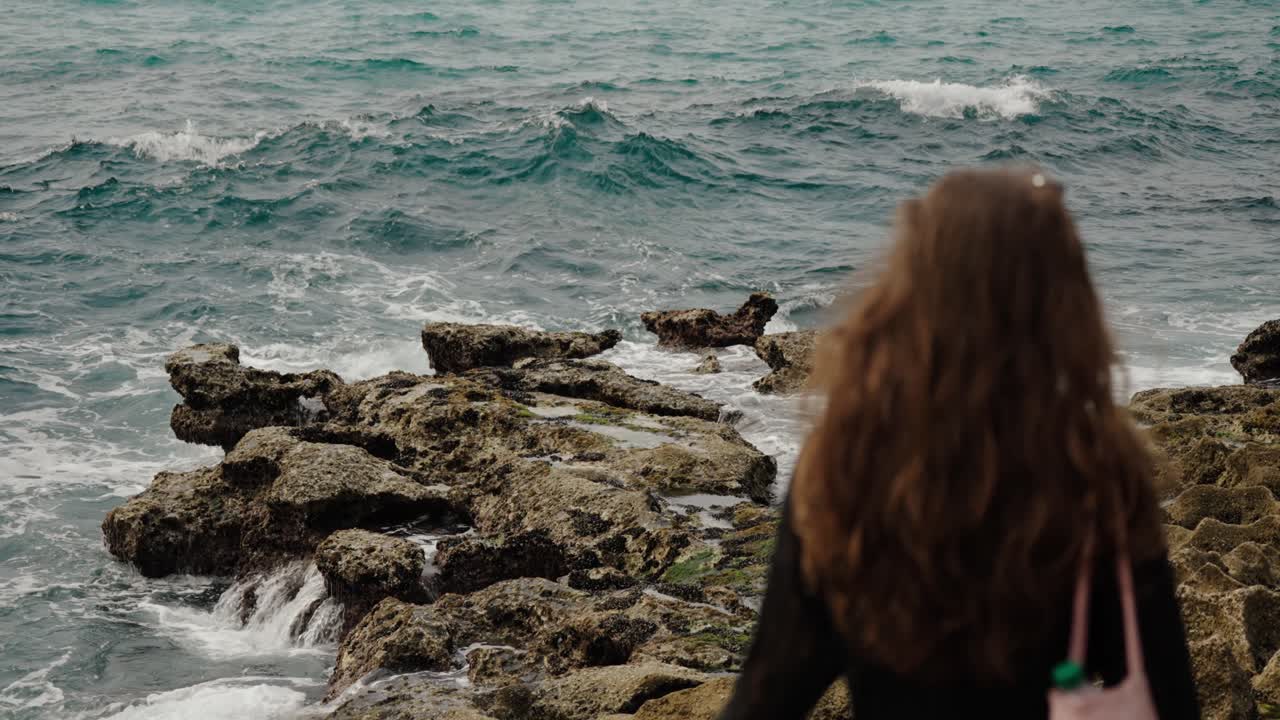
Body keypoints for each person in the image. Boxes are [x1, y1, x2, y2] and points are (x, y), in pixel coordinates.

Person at [719, 168, 1200, 719]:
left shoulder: (846, 470)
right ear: (1063, 303)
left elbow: (768, 694)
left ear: (909, 291)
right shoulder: (1094, 475)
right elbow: (1169, 700)